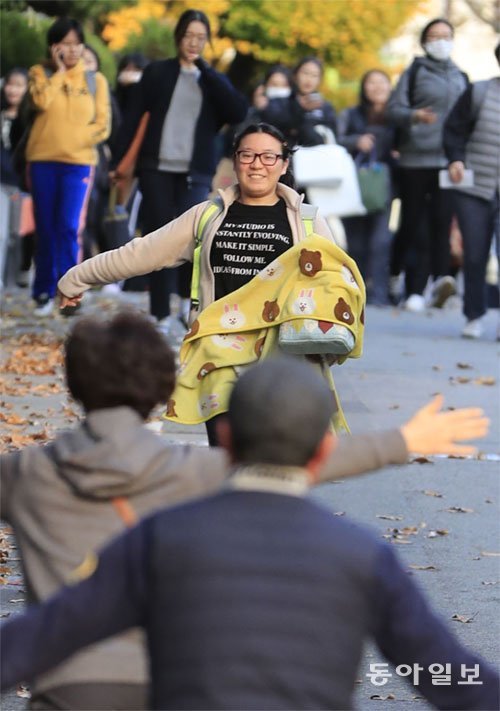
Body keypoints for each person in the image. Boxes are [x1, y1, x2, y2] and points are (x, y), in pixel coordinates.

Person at [1, 358, 496, 711]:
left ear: (228, 441)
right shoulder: (363, 557)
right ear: (323, 451)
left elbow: (46, 635)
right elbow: (444, 671)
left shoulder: (161, 539)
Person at [58, 122, 343, 445]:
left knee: (274, 453)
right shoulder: (207, 215)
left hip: (282, 358)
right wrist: (77, 276)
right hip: (219, 351)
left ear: (284, 164)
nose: (257, 164)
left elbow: (334, 285)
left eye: (268, 156)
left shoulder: (306, 221)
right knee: (228, 455)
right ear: (235, 162)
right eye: (247, 155)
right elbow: (143, 253)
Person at [111, 9, 247, 332]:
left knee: (194, 239)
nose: (194, 43)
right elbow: (132, 118)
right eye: (189, 36)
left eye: (201, 38)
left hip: (195, 172)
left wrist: (206, 71)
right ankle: (160, 313)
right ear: (178, 37)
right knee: (160, 239)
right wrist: (117, 161)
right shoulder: (157, 73)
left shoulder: (213, 80)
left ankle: (190, 306)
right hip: (156, 167)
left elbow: (238, 110)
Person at [24, 16, 111, 317]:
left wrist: (76, 139)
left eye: (77, 44)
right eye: (65, 44)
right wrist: (59, 72)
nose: (72, 50)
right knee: (45, 228)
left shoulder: (95, 80)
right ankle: (43, 292)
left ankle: (70, 293)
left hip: (78, 164)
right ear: (53, 46)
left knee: (69, 227)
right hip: (42, 161)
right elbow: (41, 102)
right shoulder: (39, 73)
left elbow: (102, 125)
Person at [386, 18, 468, 312]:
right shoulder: (415, 71)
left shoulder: (461, 76)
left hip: (449, 162)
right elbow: (393, 110)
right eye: (434, 36)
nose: (441, 41)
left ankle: (436, 283)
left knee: (442, 222)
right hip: (415, 160)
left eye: (446, 36)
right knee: (413, 224)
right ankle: (402, 277)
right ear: (424, 41)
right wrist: (415, 116)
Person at [443, 42, 500, 340]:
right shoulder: (478, 92)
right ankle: (474, 315)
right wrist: (455, 158)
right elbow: (453, 129)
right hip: (474, 187)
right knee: (475, 253)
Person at [337, 70, 396, 305]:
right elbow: (336, 139)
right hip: (352, 185)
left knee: (380, 241)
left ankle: (379, 293)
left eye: (382, 82)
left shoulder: (396, 117)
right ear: (363, 87)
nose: (377, 87)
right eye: (371, 82)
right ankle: (355, 294)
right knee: (356, 242)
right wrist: (356, 141)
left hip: (386, 187)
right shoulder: (351, 114)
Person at [0, 67, 35, 287]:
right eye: (10, 84)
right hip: (2, 183)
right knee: (3, 233)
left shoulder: (31, 120)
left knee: (19, 233)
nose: (13, 90)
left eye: (19, 85)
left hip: (23, 184)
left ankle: (19, 275)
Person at [259, 56, 337, 147]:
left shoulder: (325, 107)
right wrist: (300, 108)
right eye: (305, 73)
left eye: (314, 75)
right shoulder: (281, 102)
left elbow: (331, 136)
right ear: (295, 75)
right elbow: (273, 125)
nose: (309, 79)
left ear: (320, 80)